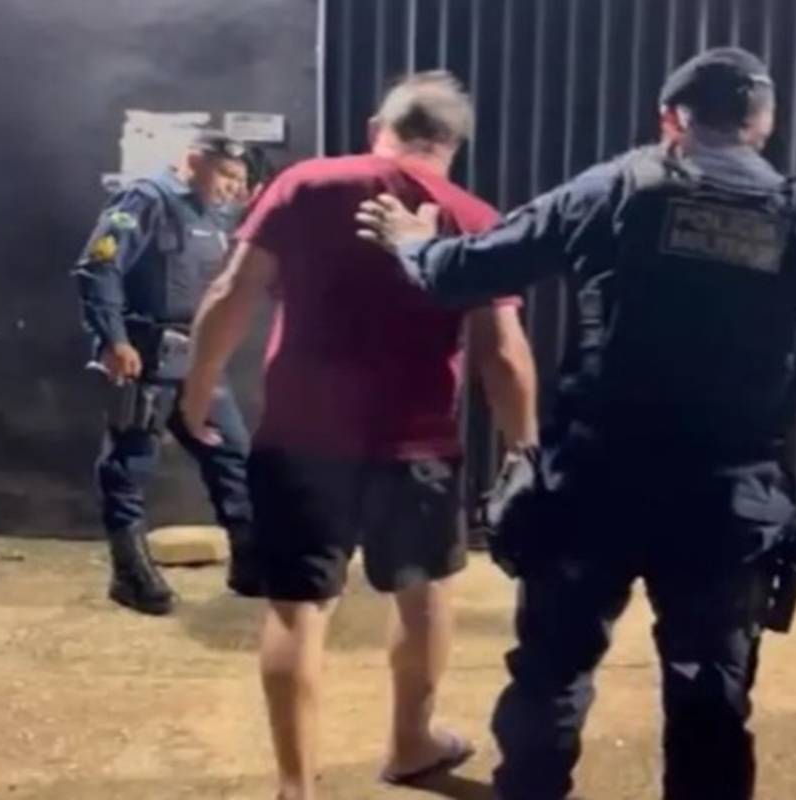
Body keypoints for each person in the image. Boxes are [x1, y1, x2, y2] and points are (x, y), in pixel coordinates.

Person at [357, 48, 796, 800]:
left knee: (551, 676)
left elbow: (468, 271)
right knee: (710, 698)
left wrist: (412, 242)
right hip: (726, 507)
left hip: (590, 491)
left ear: (670, 118)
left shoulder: (616, 188)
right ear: (763, 125)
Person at [180, 72, 539, 800]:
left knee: (298, 606)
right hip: (418, 444)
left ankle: (296, 786)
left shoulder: (306, 185)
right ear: (453, 143)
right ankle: (410, 744)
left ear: (380, 125)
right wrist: (524, 448)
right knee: (422, 595)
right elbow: (502, 353)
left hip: (300, 438)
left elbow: (231, 292)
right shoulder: (473, 215)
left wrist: (197, 392)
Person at [73, 129, 258, 616]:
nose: (232, 186)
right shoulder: (145, 198)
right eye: (225, 173)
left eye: (238, 178)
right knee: (130, 463)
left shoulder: (218, 212)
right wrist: (114, 339)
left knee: (233, 456)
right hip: (146, 356)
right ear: (193, 161)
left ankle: (251, 562)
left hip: (198, 357)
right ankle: (131, 574)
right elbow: (99, 267)